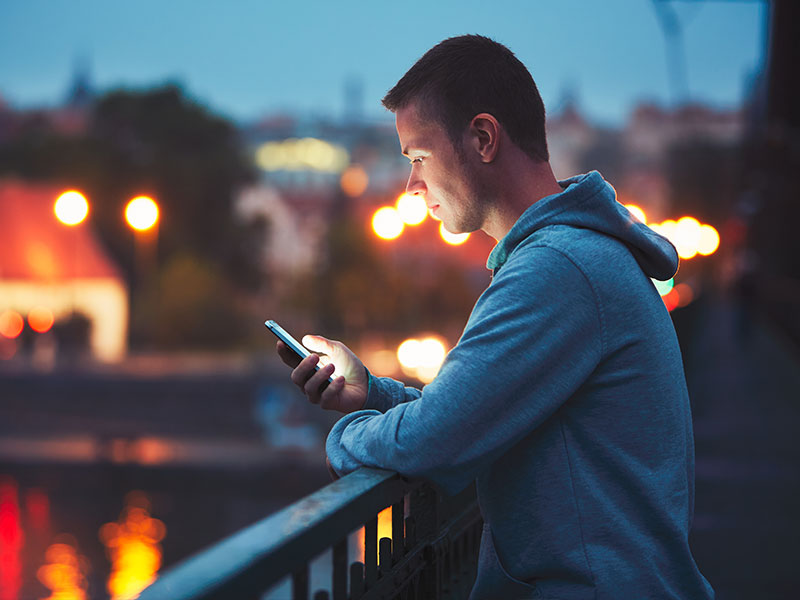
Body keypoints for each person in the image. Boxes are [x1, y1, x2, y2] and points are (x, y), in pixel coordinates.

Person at [277, 35, 714, 600]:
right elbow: (480, 413)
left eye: (417, 158)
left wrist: (345, 436)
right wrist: (372, 395)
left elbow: (435, 440)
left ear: (483, 138)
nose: (411, 185)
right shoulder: (577, 256)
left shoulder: (557, 270)